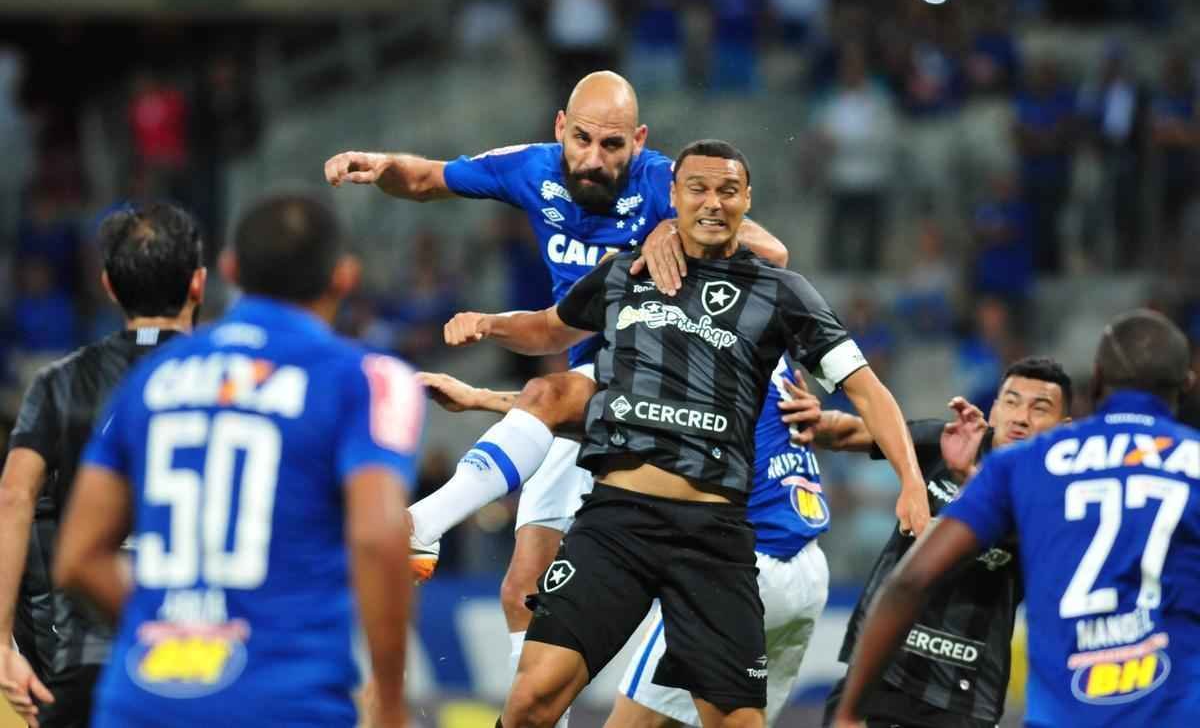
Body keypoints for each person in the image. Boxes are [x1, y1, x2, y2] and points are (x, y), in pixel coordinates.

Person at [429, 140, 924, 728]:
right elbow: (548, 331)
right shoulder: (625, 272)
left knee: (737, 723)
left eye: (727, 191)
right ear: (672, 197)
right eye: (698, 189)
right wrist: (487, 328)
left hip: (713, 539)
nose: (712, 203)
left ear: (748, 201)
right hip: (617, 524)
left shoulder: (782, 294)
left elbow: (867, 389)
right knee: (531, 701)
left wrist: (911, 482)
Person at [325, 71, 789, 690]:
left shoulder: (664, 184)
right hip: (591, 383)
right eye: (582, 140)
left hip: (670, 387)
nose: (594, 160)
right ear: (559, 130)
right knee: (522, 590)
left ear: (639, 141)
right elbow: (428, 179)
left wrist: (675, 228)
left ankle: (422, 525)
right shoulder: (532, 169)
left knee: (547, 396)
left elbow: (772, 254)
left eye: (613, 146)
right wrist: (380, 164)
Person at [52, 195, 424, 728]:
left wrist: (166, 628)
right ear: (345, 277)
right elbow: (376, 535)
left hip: (141, 704)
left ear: (229, 270)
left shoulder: (153, 378)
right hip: (286, 703)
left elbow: (77, 556)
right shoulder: (366, 379)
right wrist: (389, 703)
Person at [834, 309, 1200, 727]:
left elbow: (910, 582)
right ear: (1187, 384)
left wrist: (848, 711)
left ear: (1096, 379)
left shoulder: (1026, 464)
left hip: (1065, 712)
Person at [0, 203, 206, 728]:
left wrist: (2, 643)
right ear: (199, 283)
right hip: (206, 655)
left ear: (109, 286)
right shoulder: (239, 380)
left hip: (86, 660)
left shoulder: (59, 382)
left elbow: (13, 497)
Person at [818, 357, 1073, 728]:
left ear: (1064, 429)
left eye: (1040, 408)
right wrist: (810, 421)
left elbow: (1026, 537)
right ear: (995, 408)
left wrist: (972, 482)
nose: (1021, 417)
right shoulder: (946, 441)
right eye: (1012, 401)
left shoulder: (1058, 495)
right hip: (878, 675)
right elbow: (849, 433)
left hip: (962, 696)